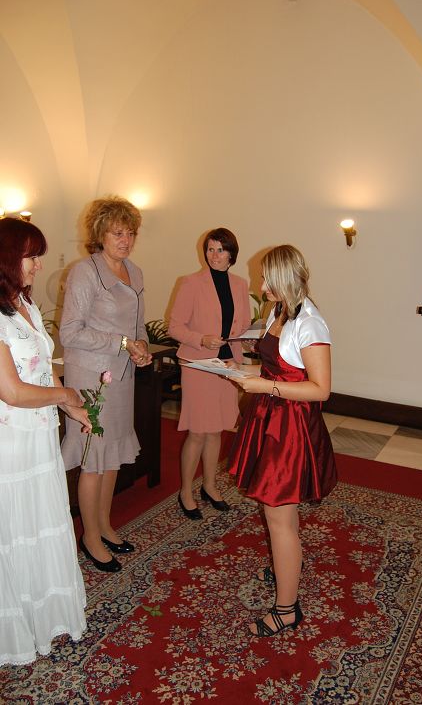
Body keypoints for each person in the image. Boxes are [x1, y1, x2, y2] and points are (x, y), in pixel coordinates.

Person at [228, 244, 337, 637]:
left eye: (267, 280)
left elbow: (321, 389)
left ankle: (287, 610)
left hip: (290, 428)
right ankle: (287, 565)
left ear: (286, 279)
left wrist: (264, 386)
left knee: (278, 517)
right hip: (271, 417)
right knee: (277, 512)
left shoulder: (311, 324)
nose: (261, 286)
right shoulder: (279, 311)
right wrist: (246, 369)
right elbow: (280, 366)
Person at [0, 218, 90, 666]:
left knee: (43, 522)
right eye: (31, 256)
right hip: (12, 441)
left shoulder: (26, 306)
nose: (38, 265)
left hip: (39, 436)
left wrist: (71, 408)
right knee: (17, 530)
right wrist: (65, 395)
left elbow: (43, 368)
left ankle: (47, 616)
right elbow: (12, 391)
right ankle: (18, 628)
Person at [60, 196, 152, 573]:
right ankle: (90, 537)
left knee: (111, 455)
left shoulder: (135, 272)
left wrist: (141, 347)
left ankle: (104, 525)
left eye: (130, 233)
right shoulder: (85, 272)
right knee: (93, 459)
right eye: (118, 233)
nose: (126, 240)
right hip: (90, 379)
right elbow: (70, 332)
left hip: (122, 376)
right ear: (100, 234)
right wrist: (122, 343)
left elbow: (138, 326)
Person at [168, 228, 251, 520]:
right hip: (198, 365)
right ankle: (185, 492)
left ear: (231, 254)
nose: (214, 255)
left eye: (220, 250)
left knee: (216, 429)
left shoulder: (240, 284)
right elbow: (175, 327)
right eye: (210, 249)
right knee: (198, 431)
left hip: (227, 365)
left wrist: (249, 340)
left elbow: (242, 325)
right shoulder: (191, 283)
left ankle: (210, 486)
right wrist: (201, 339)